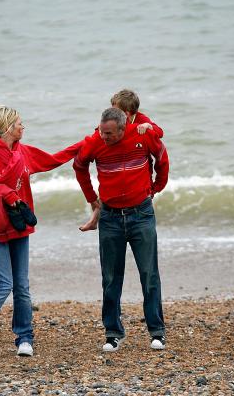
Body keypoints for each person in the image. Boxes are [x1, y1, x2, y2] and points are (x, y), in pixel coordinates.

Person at [0, 105, 80, 360]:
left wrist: (83, 145)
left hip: (18, 227)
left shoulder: (23, 152)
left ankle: (25, 338)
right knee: (3, 284)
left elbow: (52, 160)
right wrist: (5, 193)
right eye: (19, 123)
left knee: (22, 286)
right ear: (8, 128)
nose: (23, 127)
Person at [73, 107, 170, 352]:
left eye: (109, 134)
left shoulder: (141, 135)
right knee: (110, 278)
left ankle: (156, 332)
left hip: (141, 215)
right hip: (110, 218)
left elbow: (162, 157)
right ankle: (113, 333)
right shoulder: (96, 141)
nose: (104, 137)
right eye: (102, 132)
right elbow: (79, 165)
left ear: (122, 127)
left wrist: (156, 187)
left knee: (149, 275)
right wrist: (91, 199)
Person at [78, 89, 164, 232]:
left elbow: (159, 133)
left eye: (115, 110)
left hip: (140, 171)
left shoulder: (141, 120)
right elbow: (101, 131)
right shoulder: (113, 124)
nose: (113, 113)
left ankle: (95, 218)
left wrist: (148, 127)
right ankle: (94, 219)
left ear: (127, 114)